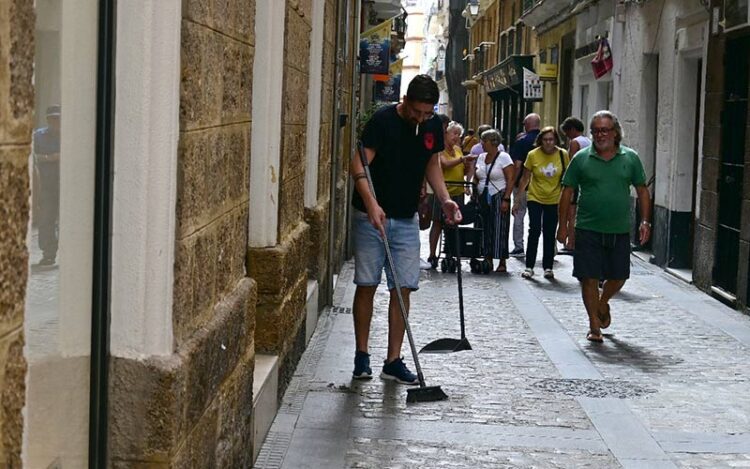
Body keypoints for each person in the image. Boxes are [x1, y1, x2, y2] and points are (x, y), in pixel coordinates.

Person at [349, 74, 462, 383]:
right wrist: (371, 204)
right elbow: (358, 165)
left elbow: (431, 163)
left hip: (406, 218)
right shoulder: (383, 121)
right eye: (417, 112)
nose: (422, 119)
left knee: (403, 289)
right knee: (367, 284)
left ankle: (393, 360)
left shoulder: (432, 125)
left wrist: (445, 199)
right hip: (372, 216)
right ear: (406, 101)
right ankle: (361, 357)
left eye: (428, 113)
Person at [556, 110, 651, 343]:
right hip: (587, 228)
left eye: (605, 130)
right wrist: (563, 226)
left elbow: (642, 190)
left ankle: (602, 300)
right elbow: (567, 191)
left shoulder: (630, 158)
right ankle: (594, 326)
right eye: (596, 130)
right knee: (588, 277)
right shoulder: (581, 158)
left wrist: (645, 220)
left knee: (619, 277)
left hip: (619, 229)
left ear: (615, 132)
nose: (600, 135)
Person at [514, 126, 569, 279]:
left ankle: (548, 267)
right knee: (535, 229)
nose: (548, 143)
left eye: (551, 139)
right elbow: (525, 178)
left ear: (556, 140)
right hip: (535, 197)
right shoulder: (533, 155)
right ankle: (529, 266)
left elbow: (567, 178)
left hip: (554, 198)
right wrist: (518, 199)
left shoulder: (562, 154)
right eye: (545, 140)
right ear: (540, 141)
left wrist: (568, 199)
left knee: (550, 232)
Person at [428, 120, 473, 265]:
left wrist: (467, 166)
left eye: (459, 135)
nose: (456, 137)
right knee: (437, 223)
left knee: (453, 224)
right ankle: (432, 254)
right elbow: (445, 164)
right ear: (446, 133)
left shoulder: (458, 150)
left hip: (457, 191)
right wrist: (462, 159)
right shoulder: (440, 149)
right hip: (442, 191)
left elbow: (463, 169)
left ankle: (451, 252)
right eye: (454, 134)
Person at [472, 129, 515, 272]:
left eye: (484, 141)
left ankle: (502, 260)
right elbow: (476, 175)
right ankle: (487, 257)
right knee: (483, 226)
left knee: (499, 227)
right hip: (482, 196)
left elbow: (510, 179)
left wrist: (506, 198)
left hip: (498, 195)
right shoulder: (481, 157)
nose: (482, 144)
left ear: (493, 143)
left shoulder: (504, 157)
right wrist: (473, 190)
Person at [33, 105, 62, 266]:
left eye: (58, 118)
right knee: (46, 219)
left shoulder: (71, 135)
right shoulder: (38, 136)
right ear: (48, 119)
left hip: (67, 187)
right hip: (47, 185)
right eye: (52, 118)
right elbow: (33, 156)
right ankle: (48, 253)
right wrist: (50, 157)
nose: (55, 121)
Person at [509, 113, 541, 257]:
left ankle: (519, 247)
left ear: (527, 125)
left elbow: (517, 165)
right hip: (541, 186)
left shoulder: (522, 141)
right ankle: (550, 248)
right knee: (542, 218)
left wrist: (512, 183)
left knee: (519, 214)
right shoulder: (547, 140)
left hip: (522, 184)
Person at [559, 116, 592, 252]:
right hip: (587, 180)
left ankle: (571, 243)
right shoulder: (588, 141)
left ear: (572, 130)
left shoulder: (575, 142)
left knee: (571, 213)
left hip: (577, 182)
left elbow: (571, 164)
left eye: (567, 132)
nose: (566, 136)